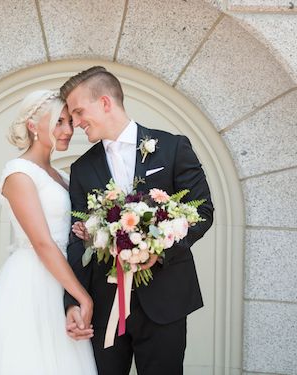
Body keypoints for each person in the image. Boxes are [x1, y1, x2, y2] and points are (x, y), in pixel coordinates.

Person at [62, 66, 214, 375]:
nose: (75, 123)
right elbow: (76, 243)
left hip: (165, 300)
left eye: (78, 112)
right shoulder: (81, 168)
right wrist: (73, 303)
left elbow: (201, 212)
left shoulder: (173, 147)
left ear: (105, 102)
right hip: (105, 307)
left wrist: (158, 250)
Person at [0, 90, 97, 375]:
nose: (68, 130)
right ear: (33, 126)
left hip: (63, 280)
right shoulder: (18, 173)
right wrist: (84, 297)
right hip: (33, 280)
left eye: (69, 122)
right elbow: (42, 242)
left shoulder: (63, 176)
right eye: (59, 122)